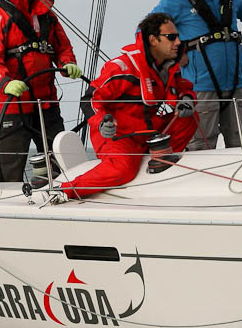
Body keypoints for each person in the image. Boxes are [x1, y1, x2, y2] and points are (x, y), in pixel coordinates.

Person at [53, 13, 198, 201]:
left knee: (190, 117)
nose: (178, 42)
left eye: (177, 37)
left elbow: (183, 87)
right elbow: (90, 99)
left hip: (150, 134)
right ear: (153, 40)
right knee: (122, 169)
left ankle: (159, 160)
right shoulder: (123, 68)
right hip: (118, 135)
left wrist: (187, 98)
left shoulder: (169, 67)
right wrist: (102, 122)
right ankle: (64, 191)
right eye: (171, 37)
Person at [0, 0, 83, 182]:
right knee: (10, 171)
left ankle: (60, 197)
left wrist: (67, 64)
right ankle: (5, 203)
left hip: (46, 102)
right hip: (11, 104)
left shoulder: (47, 15)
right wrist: (5, 83)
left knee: (61, 162)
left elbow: (63, 47)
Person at [152, 0, 242, 150]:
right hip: (200, 90)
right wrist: (173, 56)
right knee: (200, 148)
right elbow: (148, 31)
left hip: (236, 85)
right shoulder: (176, 0)